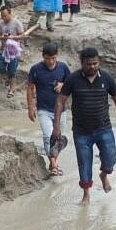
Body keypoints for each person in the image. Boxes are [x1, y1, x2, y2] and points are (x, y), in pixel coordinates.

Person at [52, 47, 116, 204]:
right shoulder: (73, 79)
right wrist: (57, 126)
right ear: (82, 63)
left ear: (99, 62)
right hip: (81, 131)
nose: (92, 66)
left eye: (95, 63)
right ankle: (86, 195)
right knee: (84, 162)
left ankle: (104, 175)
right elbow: (60, 101)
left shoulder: (106, 78)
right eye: (89, 64)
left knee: (110, 158)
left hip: (104, 128)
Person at [27, 43, 71, 176]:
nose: (50, 61)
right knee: (48, 137)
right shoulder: (35, 69)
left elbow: (71, 84)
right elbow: (30, 88)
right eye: (47, 58)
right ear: (43, 56)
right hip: (43, 109)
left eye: (53, 58)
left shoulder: (63, 67)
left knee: (57, 139)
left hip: (61, 110)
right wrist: (30, 108)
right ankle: (54, 164)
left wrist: (63, 85)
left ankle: (53, 163)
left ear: (57, 56)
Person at [0, 6, 25, 98]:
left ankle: (12, 89)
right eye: (2, 16)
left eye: (5, 15)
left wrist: (13, 37)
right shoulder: (0, 23)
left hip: (13, 51)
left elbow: (22, 35)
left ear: (10, 14)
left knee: (12, 71)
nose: (3, 18)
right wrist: (2, 37)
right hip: (3, 50)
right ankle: (8, 77)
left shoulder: (16, 23)